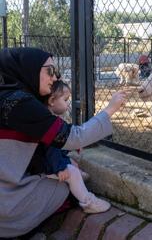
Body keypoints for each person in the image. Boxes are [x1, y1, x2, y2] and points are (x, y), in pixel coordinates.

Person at [0, 47, 126, 238]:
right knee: (66, 189)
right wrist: (109, 109)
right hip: (4, 204)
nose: (55, 78)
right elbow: (72, 137)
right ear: (29, 69)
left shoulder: (6, 95)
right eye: (50, 71)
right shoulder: (20, 104)